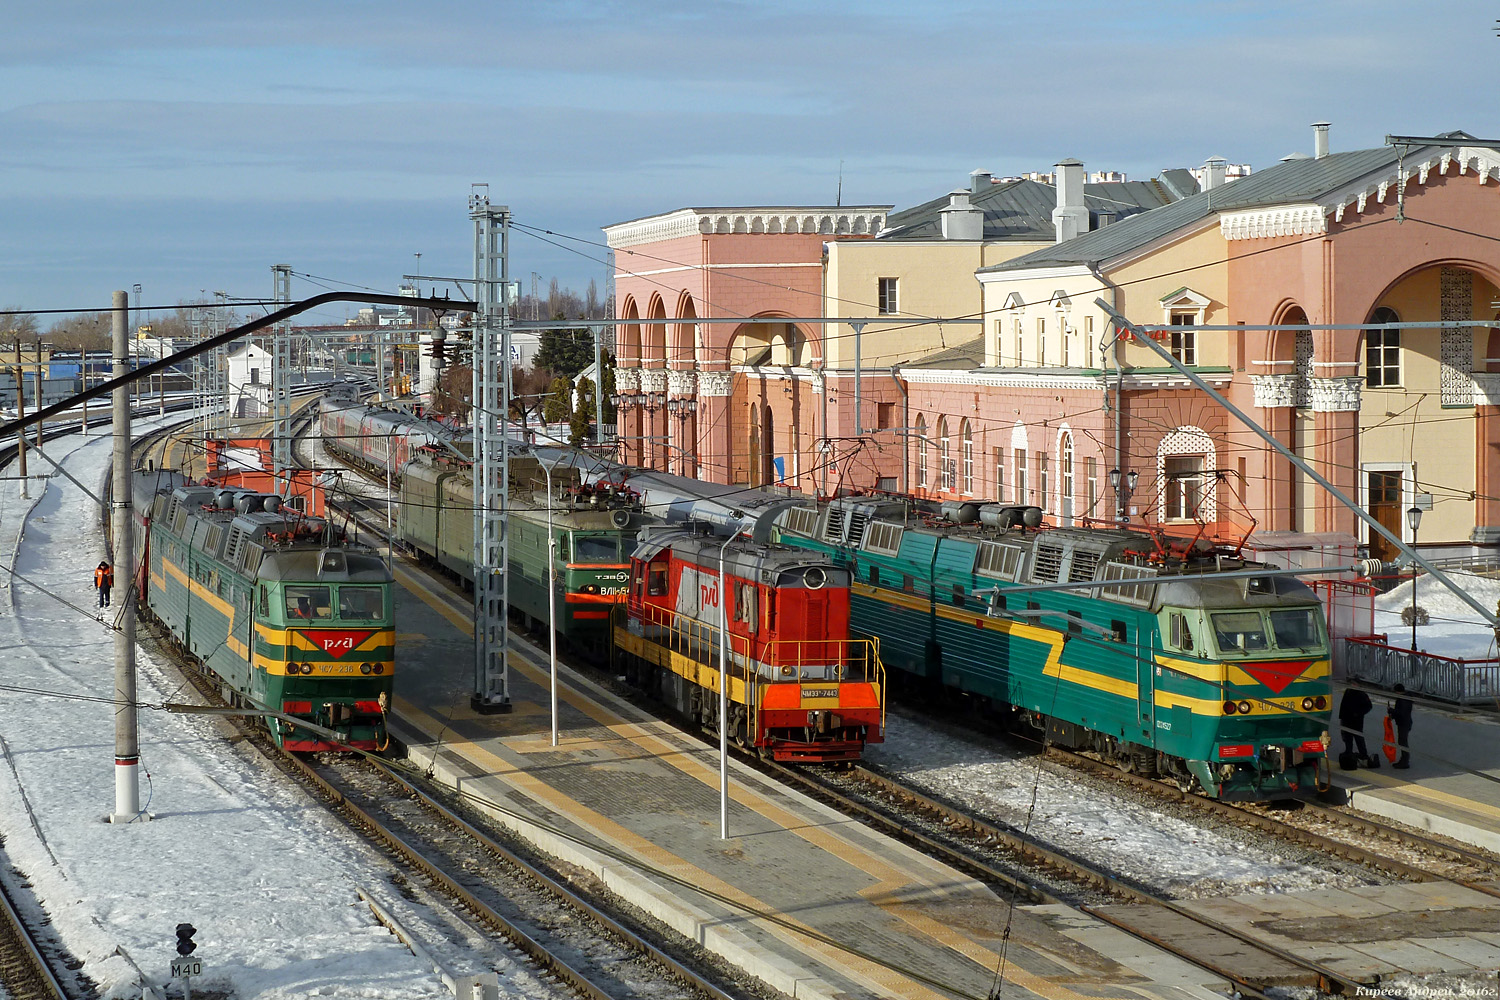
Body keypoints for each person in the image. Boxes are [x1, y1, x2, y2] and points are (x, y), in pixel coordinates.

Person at [1338, 687, 1378, 768]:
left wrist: (1358, 713)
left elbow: (1368, 706)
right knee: (1348, 737)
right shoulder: (1348, 691)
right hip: (1347, 719)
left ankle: (1363, 754)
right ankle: (1349, 752)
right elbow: (1343, 705)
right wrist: (1342, 716)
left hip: (1356, 720)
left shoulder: (1361, 694)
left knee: (1358, 737)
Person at [1389, 684, 1414, 769]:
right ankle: (1403, 760)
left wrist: (1392, 711)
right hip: (1405, 722)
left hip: (1403, 723)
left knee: (1402, 742)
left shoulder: (1402, 700)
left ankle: (1404, 761)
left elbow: (1401, 713)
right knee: (1402, 741)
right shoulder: (1406, 698)